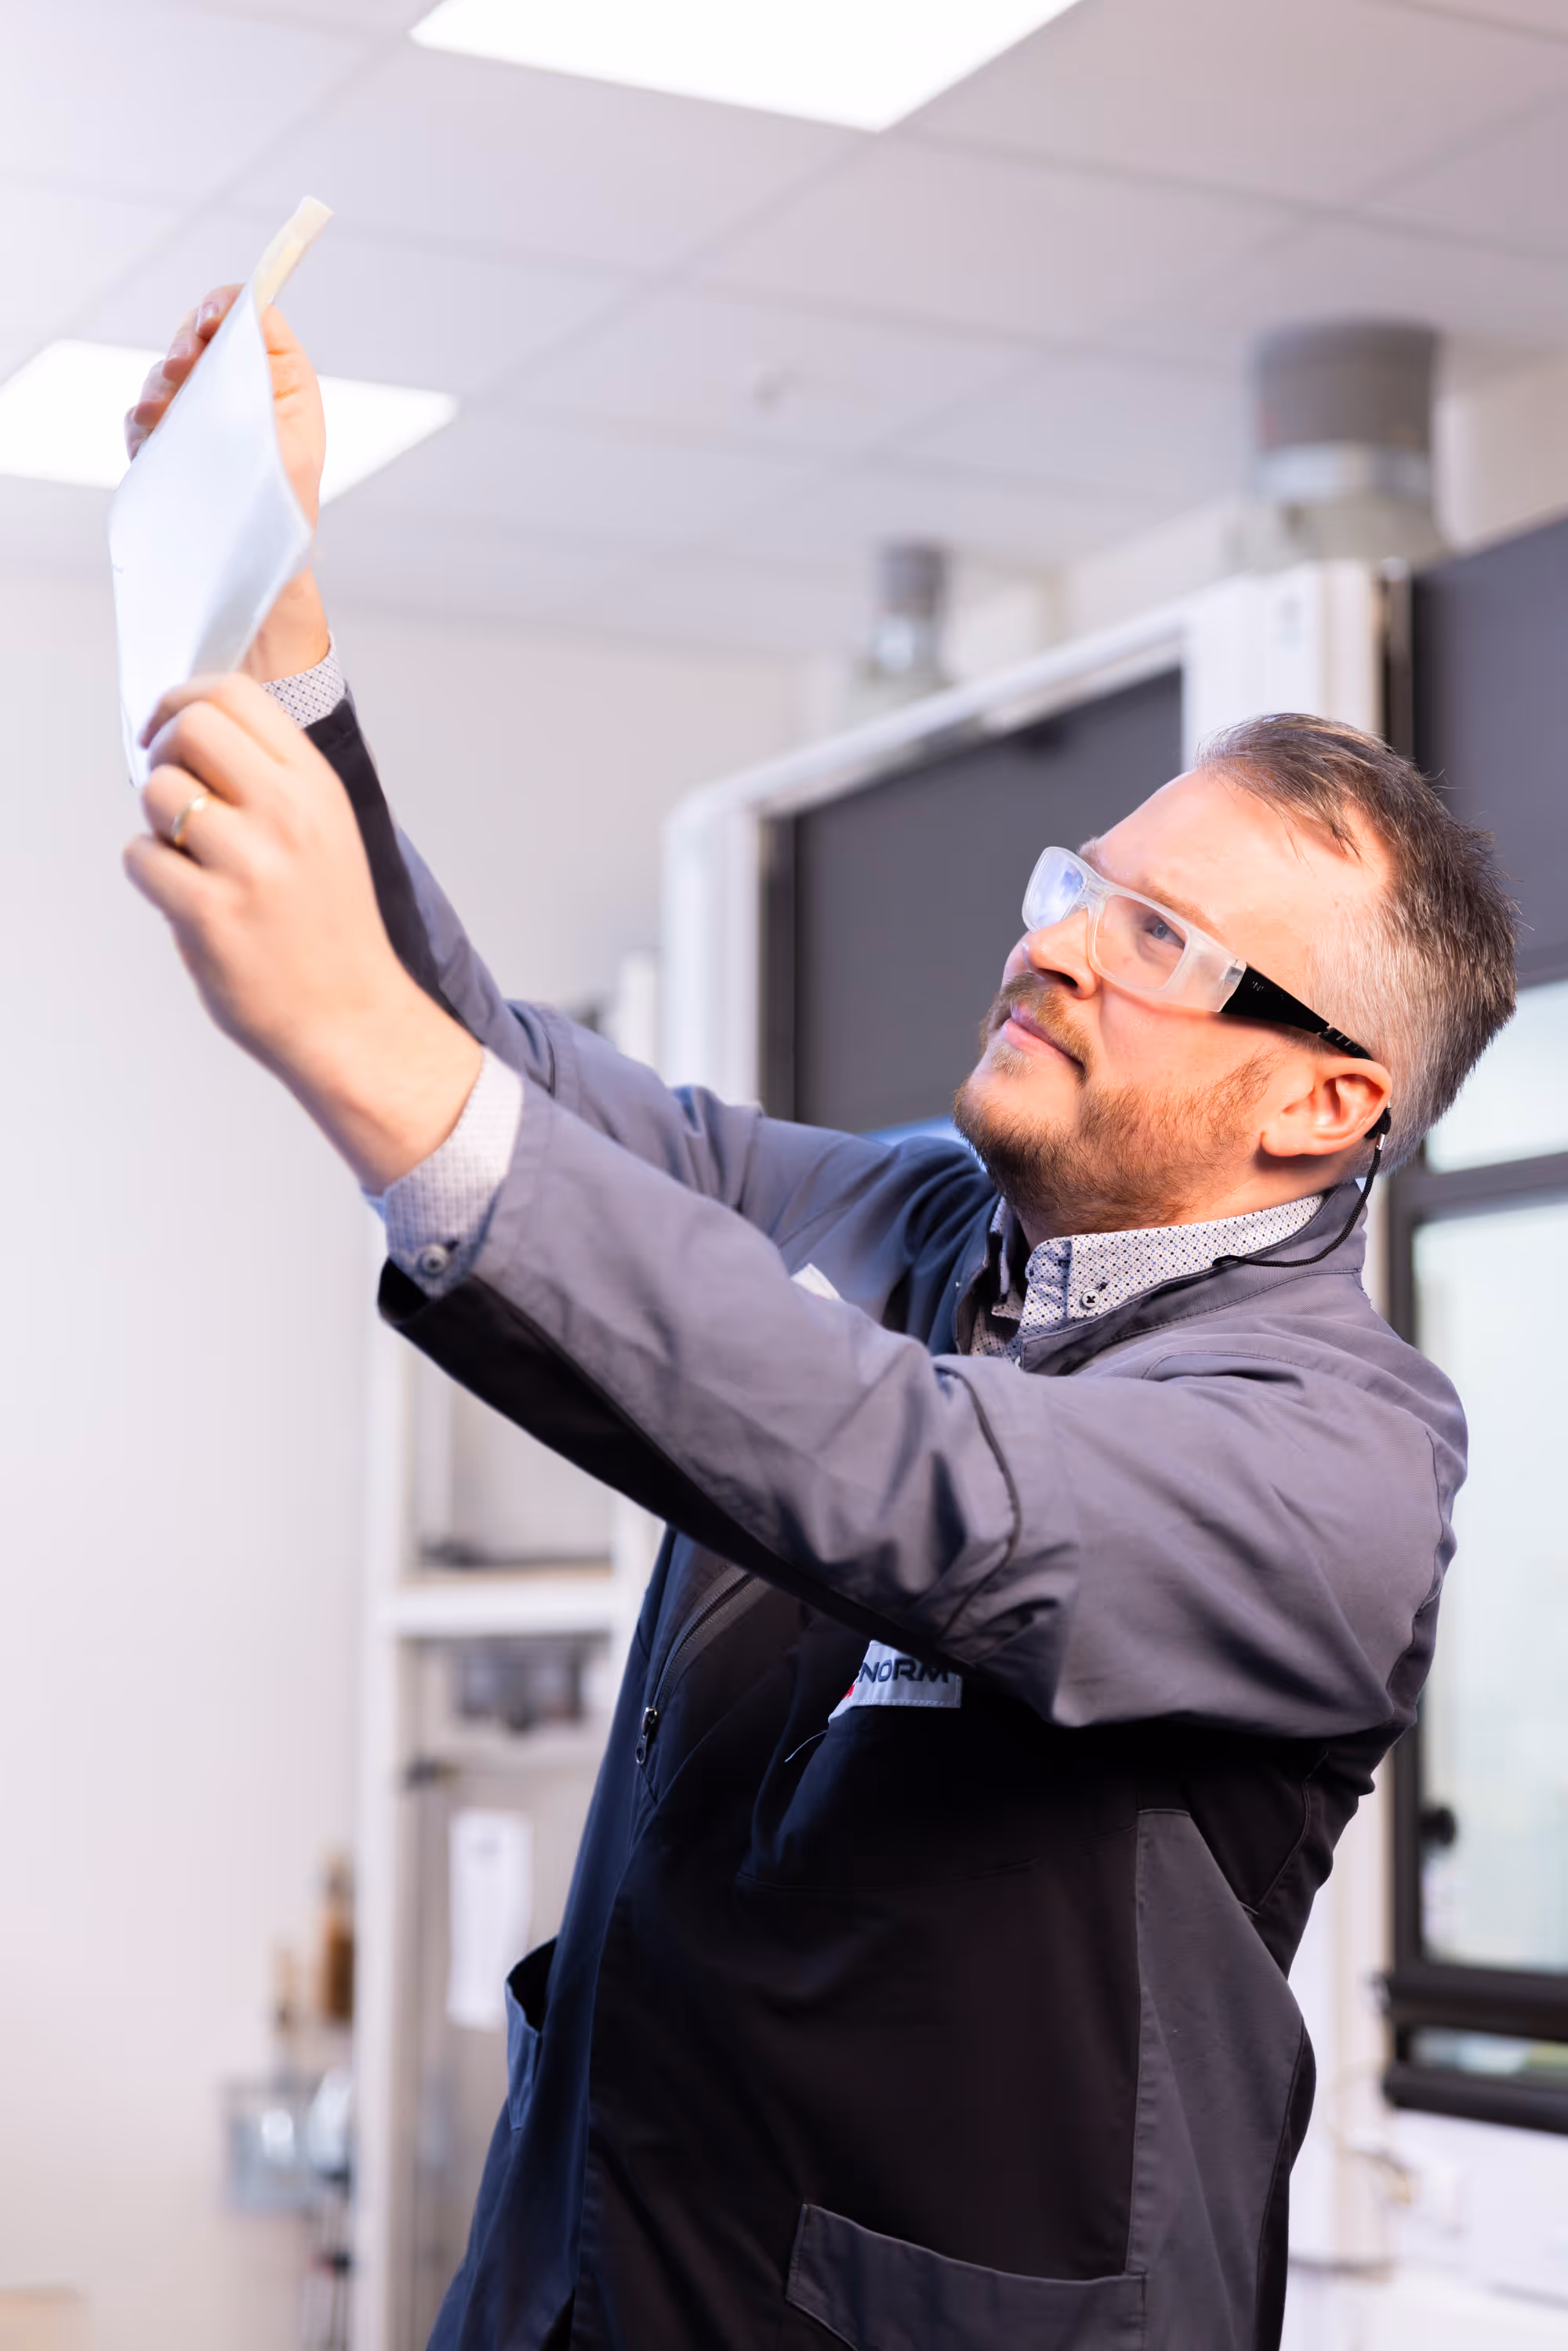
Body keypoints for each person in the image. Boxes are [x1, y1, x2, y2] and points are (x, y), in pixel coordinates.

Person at [123, 292, 1515, 2351]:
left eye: (1159, 939)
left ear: (1327, 1101)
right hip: (585, 2279)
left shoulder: (1335, 1469)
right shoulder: (912, 1212)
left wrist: (366, 1055)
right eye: (1080, 882)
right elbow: (504, 1079)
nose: (1050, 945)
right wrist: (279, 626)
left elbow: (935, 1484)